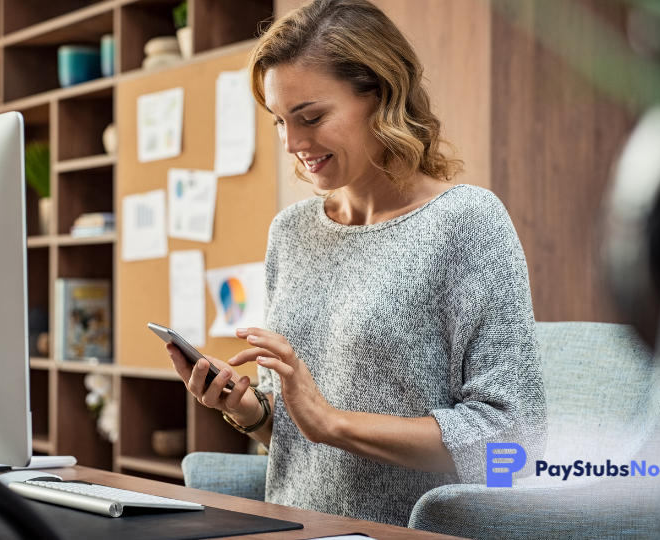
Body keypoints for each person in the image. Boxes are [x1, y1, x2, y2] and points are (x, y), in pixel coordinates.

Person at [166, 0, 546, 527]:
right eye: (280, 120)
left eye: (312, 117)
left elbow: (514, 438)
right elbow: (301, 430)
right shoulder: (291, 232)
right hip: (294, 527)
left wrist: (333, 423)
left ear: (382, 96)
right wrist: (251, 410)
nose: (293, 143)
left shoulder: (467, 222)